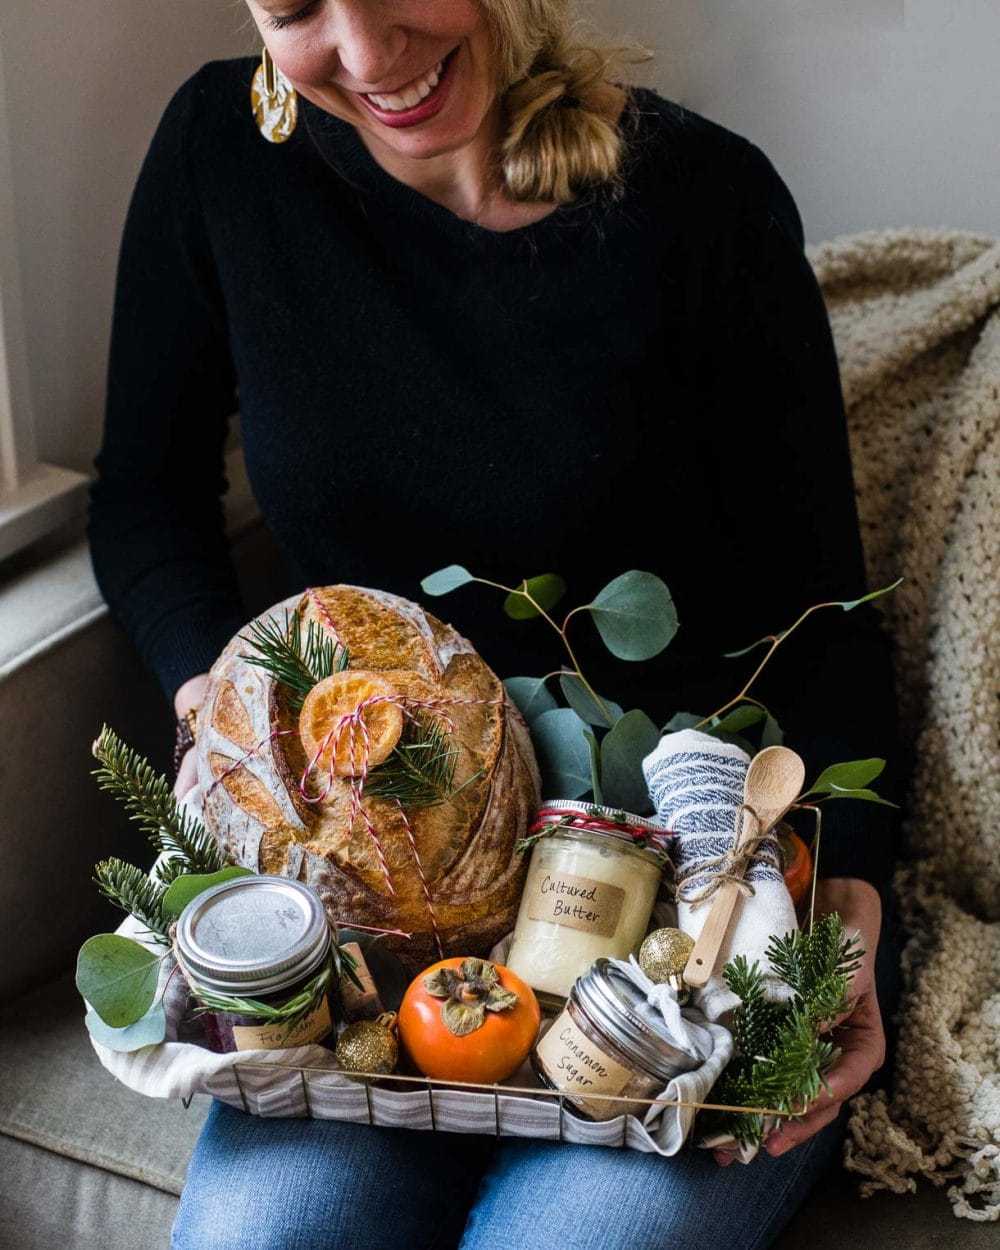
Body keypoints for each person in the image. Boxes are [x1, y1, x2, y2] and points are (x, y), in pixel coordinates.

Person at [88, 2, 900, 1246]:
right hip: (363, 911)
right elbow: (146, 500)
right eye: (298, 6)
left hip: (676, 913)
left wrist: (845, 897)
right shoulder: (219, 151)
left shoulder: (706, 204)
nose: (366, 57)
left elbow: (823, 620)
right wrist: (228, 710)